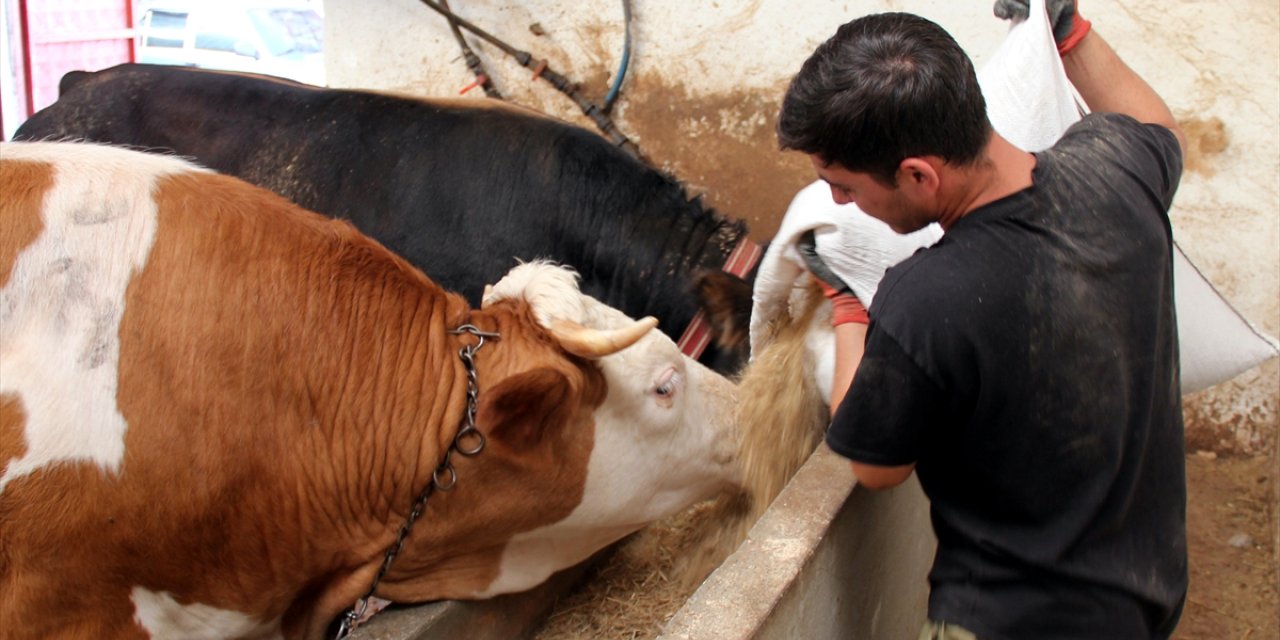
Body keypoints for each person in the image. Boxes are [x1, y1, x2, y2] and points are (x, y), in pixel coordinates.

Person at [776, 2, 1188, 638]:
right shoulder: (1116, 172)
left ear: (918, 174)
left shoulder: (924, 299)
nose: (838, 202)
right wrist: (1070, 32)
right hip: (1142, 595)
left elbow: (874, 466)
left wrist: (850, 305)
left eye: (845, 187)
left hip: (1010, 621)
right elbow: (1157, 125)